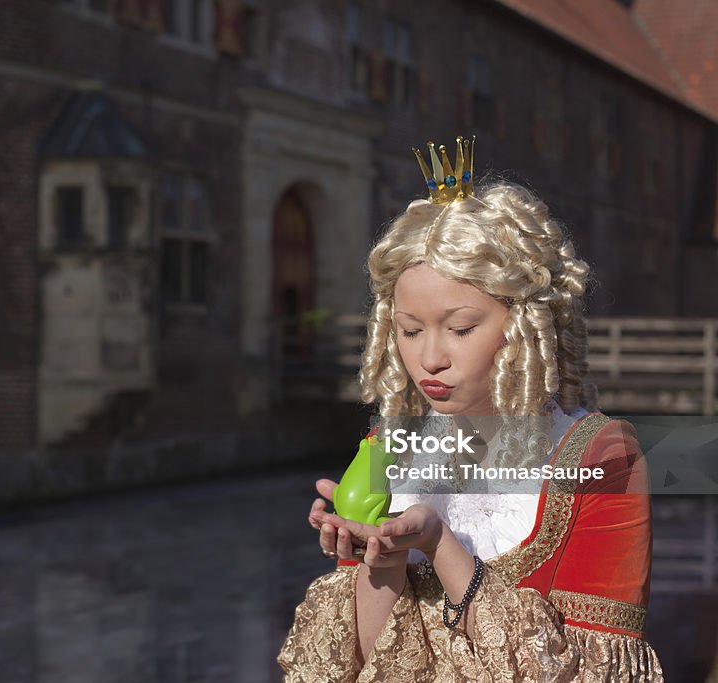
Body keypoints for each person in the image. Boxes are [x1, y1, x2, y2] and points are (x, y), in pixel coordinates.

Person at [277, 138, 664, 681]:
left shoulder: (604, 458)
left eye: (460, 329)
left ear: (527, 325)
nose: (429, 358)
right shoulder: (393, 449)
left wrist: (440, 545)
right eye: (409, 331)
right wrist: (381, 557)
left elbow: (590, 672)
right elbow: (361, 666)